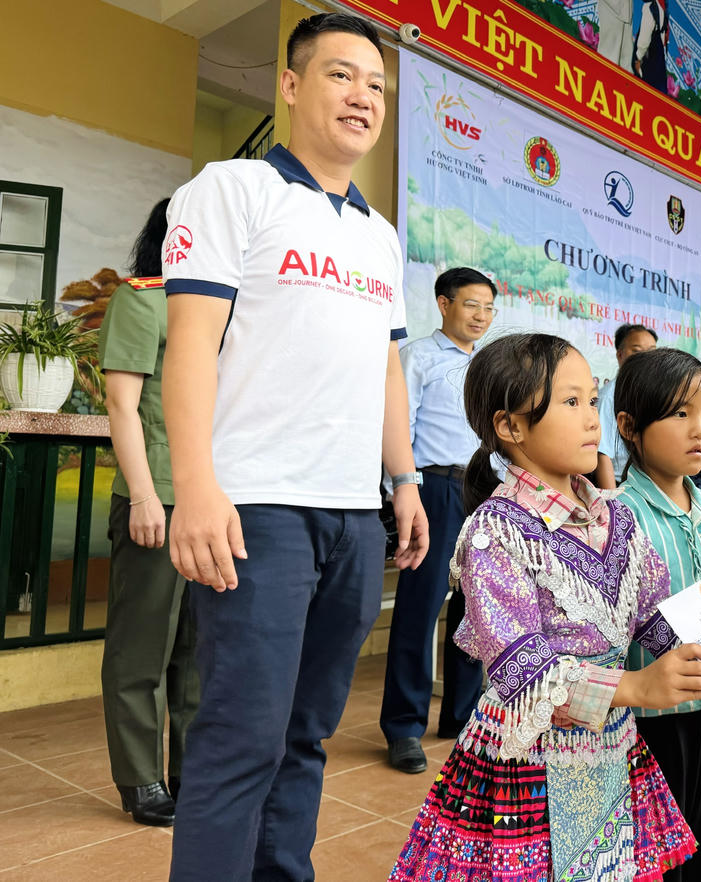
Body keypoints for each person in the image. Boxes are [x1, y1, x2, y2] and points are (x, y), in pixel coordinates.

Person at [161, 13, 428, 881]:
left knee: (307, 735)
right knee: (242, 738)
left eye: (376, 85)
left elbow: (386, 367)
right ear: (290, 84)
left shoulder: (380, 236)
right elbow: (192, 341)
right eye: (342, 76)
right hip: (257, 510)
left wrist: (404, 480)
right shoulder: (232, 189)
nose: (363, 97)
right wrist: (195, 484)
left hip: (353, 517)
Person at [390, 333, 701, 881]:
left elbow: (654, 617)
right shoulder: (496, 532)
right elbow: (524, 669)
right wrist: (635, 688)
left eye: (592, 400)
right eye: (572, 403)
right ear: (511, 426)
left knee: (600, 867)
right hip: (531, 763)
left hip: (608, 747)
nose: (592, 419)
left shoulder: (615, 519)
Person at [613, 347, 701, 882]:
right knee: (656, 855)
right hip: (651, 721)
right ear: (629, 426)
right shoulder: (619, 515)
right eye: (680, 413)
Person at [99, 197, 199, 828]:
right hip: (156, 496)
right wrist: (140, 493)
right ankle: (141, 777)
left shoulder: (218, 309)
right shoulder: (144, 296)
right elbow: (120, 402)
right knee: (143, 649)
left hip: (209, 502)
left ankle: (193, 770)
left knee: (197, 649)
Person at [381, 267, 494, 773]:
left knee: (476, 610)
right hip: (433, 489)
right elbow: (397, 425)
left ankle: (463, 716)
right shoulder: (417, 357)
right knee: (419, 607)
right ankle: (404, 726)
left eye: (489, 308)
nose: (481, 316)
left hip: (482, 490)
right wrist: (400, 491)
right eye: (472, 305)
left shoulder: (489, 366)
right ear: (444, 303)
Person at [596, 323, 658, 489]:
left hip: (649, 485)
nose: (646, 358)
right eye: (637, 351)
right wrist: (613, 506)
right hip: (621, 486)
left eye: (652, 351)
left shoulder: (655, 393)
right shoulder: (609, 398)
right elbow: (602, 455)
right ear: (620, 355)